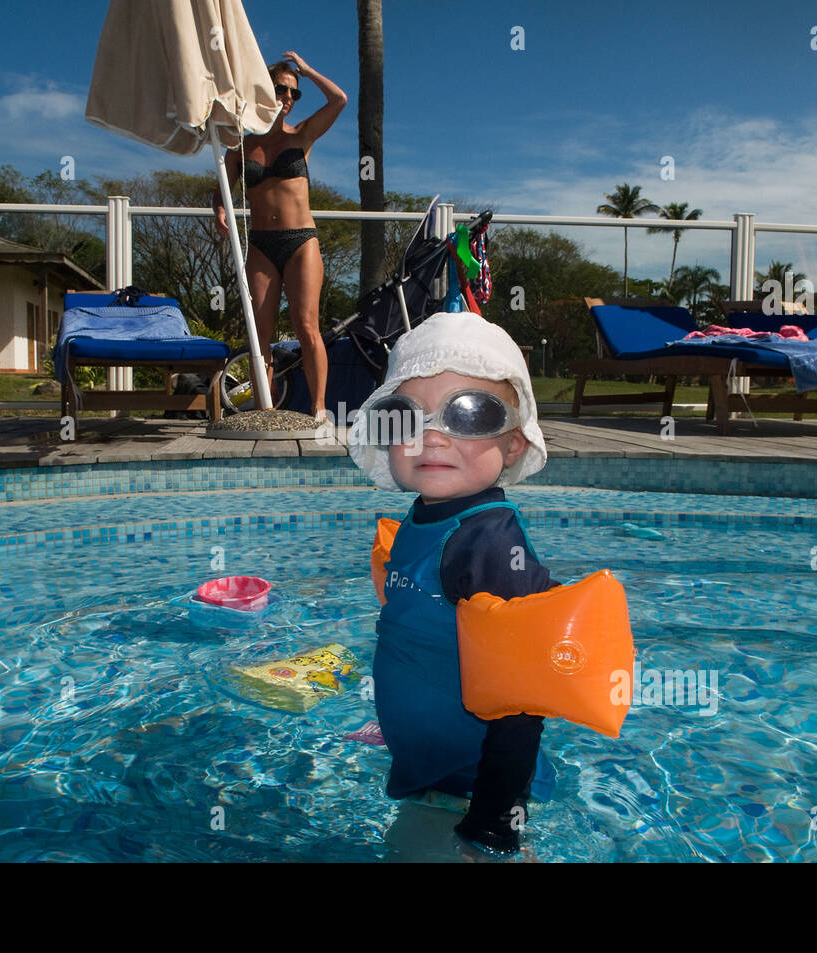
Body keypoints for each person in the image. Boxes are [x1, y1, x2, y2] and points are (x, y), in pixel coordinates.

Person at [347, 311, 556, 857]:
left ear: (512, 445)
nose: (433, 434)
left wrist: (493, 823)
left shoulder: (487, 545)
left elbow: (520, 702)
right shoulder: (431, 518)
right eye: (404, 418)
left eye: (470, 412)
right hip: (434, 770)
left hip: (466, 794)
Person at [212, 51, 346, 420]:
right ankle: (265, 409)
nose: (287, 97)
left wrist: (306, 70)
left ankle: (319, 410)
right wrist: (220, 209)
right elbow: (222, 185)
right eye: (280, 89)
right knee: (261, 332)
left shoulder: (302, 135)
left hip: (301, 240)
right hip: (261, 243)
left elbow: (339, 100)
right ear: (262, 92)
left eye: (293, 93)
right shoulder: (241, 143)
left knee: (306, 326)